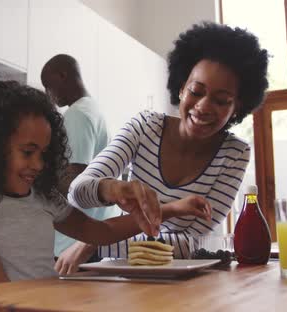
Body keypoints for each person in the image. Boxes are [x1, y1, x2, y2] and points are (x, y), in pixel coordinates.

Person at [0, 80, 212, 286]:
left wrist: (170, 209)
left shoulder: (40, 197)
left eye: (43, 154)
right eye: (27, 152)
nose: (38, 165)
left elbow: (100, 232)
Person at [67, 22, 269, 269]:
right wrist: (110, 188)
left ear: (236, 107)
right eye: (196, 91)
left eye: (221, 100)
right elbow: (77, 193)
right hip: (123, 275)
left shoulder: (234, 154)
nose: (204, 106)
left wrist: (97, 241)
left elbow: (192, 244)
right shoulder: (144, 126)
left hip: (188, 282)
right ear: (182, 87)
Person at [40, 54, 121, 264]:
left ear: (62, 75)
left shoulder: (77, 114)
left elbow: (72, 183)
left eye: (48, 86)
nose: (49, 96)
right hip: (95, 235)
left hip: (74, 243)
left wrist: (35, 184)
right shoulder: (94, 110)